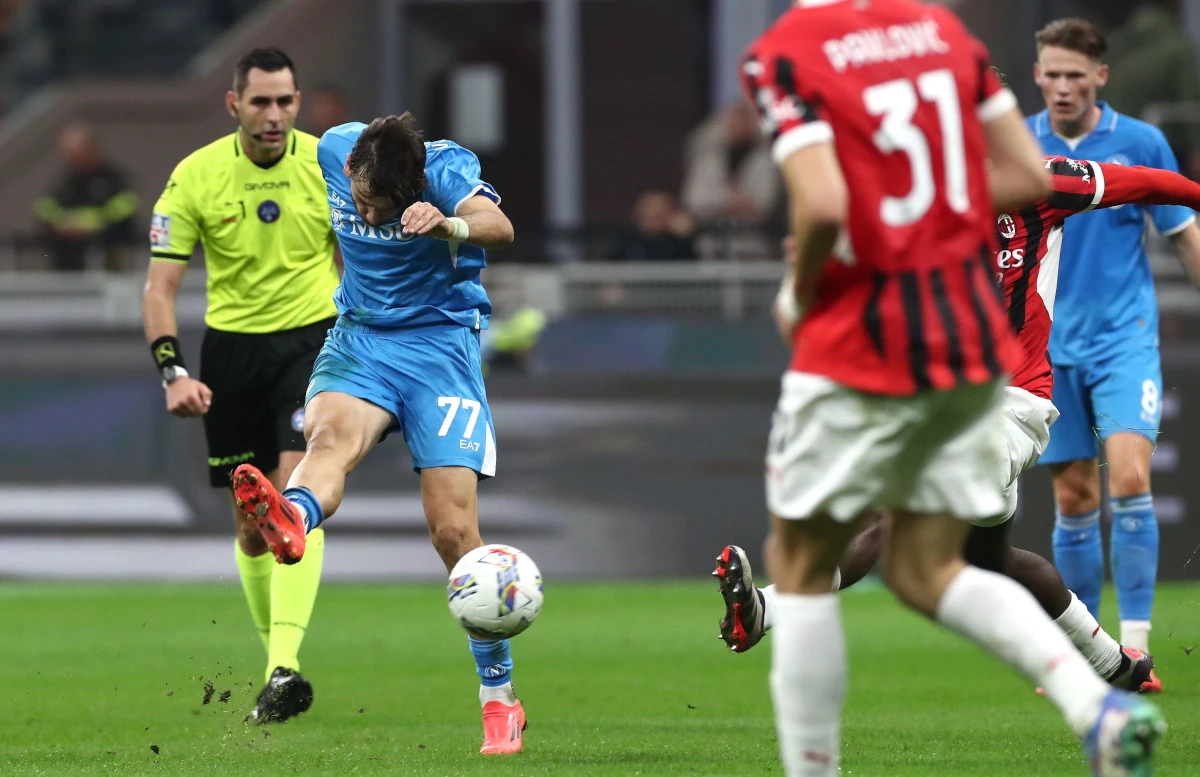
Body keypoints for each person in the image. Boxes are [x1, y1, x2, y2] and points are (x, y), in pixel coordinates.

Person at [739, 2, 1163, 775]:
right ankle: (1094, 699)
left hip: (863, 345)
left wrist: (801, 290)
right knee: (932, 564)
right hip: (961, 350)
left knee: (805, 560)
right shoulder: (939, 35)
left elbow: (827, 203)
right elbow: (1031, 173)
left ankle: (810, 757)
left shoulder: (786, 51)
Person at [717, 155, 1200, 696]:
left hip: (1012, 404)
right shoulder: (919, 198)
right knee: (994, 558)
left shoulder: (1044, 183)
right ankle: (1116, 665)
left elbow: (1144, 181)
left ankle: (767, 611)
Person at [228, 113, 522, 754]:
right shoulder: (337, 147)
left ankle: (499, 697)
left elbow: (500, 227)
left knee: (453, 532)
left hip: (441, 348)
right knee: (329, 440)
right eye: (358, 196)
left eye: (379, 207)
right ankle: (294, 518)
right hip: (360, 340)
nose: (364, 210)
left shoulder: (445, 172)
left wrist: (450, 224)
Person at [141, 47, 337, 724]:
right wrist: (174, 372)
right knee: (254, 531)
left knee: (291, 496)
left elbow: (356, 257)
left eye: (286, 101)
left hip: (313, 342)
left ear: (297, 103)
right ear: (234, 105)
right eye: (261, 102)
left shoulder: (325, 164)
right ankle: (279, 672)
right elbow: (159, 288)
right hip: (230, 356)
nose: (275, 115)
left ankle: (284, 666)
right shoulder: (194, 176)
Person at [1029, 18, 1200, 669]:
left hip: (1123, 338)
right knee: (1074, 496)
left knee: (1129, 476)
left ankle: (1139, 647)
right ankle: (1091, 653)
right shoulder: (1019, 144)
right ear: (1038, 74)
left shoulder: (1141, 141)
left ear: (1101, 76)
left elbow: (1182, 232)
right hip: (1047, 349)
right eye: (1054, 73)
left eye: (1077, 75)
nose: (1064, 87)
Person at [1103, 0, 1200, 177]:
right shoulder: (1179, 46)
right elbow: (1190, 102)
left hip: (1111, 145)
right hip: (1164, 151)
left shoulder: (1116, 43)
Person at [34, 123, 138, 271]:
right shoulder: (63, 181)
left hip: (107, 257)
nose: (73, 158)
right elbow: (45, 209)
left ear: (92, 149)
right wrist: (63, 224)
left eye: (78, 152)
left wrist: (89, 224)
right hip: (67, 262)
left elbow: (126, 206)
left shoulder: (113, 179)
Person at [610, 190, 696, 261]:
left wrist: (684, 236)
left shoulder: (681, 244)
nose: (655, 210)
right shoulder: (624, 242)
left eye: (662, 206)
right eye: (648, 206)